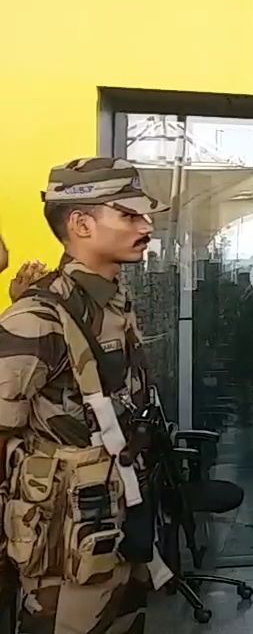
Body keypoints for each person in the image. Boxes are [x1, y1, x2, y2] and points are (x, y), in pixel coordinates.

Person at [0, 158, 174, 633]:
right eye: (130, 215)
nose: (146, 225)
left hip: (121, 525)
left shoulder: (111, 303)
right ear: (81, 224)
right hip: (66, 547)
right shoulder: (37, 318)